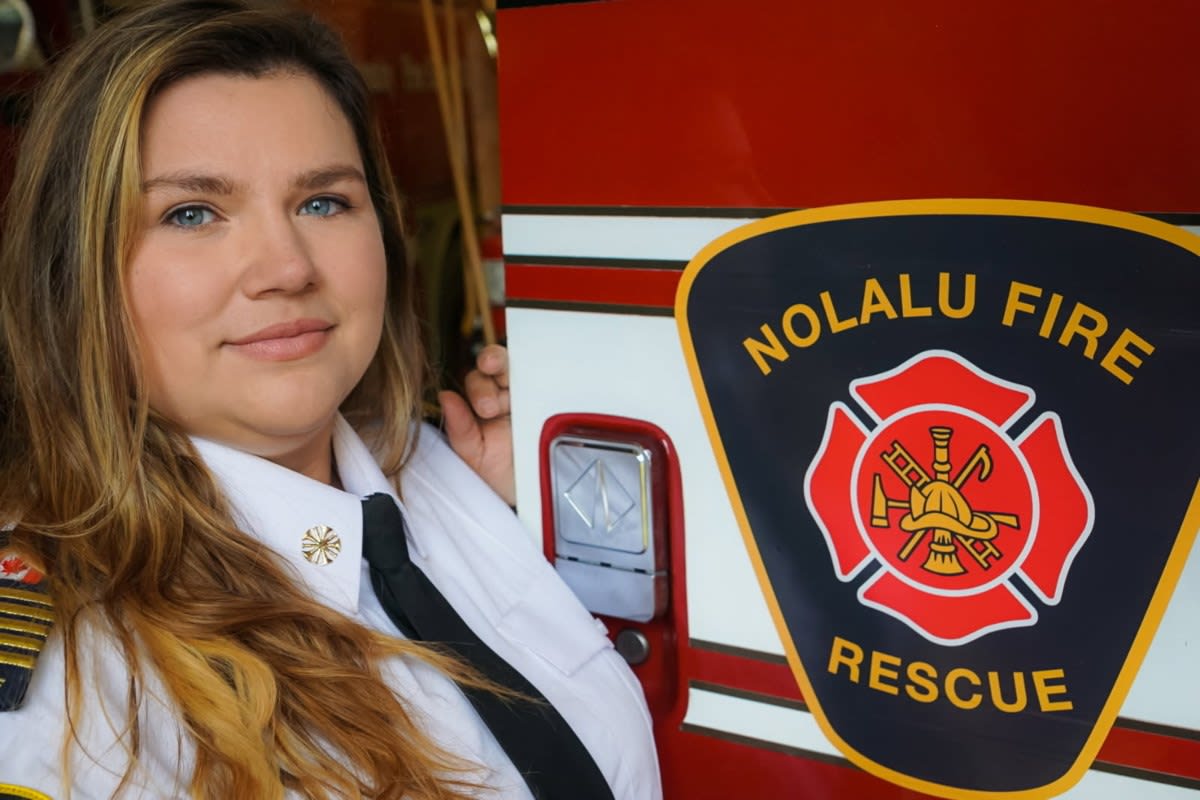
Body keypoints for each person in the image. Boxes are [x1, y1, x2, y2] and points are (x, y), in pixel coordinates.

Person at [0, 1, 661, 798]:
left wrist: (554, 529)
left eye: (323, 202)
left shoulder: (465, 481)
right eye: (192, 213)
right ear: (75, 278)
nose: (286, 267)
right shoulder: (64, 689)